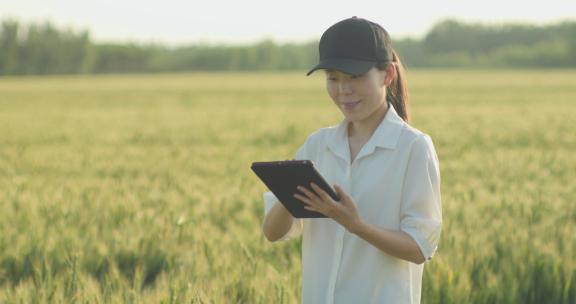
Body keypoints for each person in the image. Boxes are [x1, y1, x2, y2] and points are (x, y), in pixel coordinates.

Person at [261, 16, 442, 304]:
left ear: (387, 75)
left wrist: (356, 225)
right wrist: (286, 192)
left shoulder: (413, 148)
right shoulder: (317, 146)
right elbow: (272, 233)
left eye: (354, 76)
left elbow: (420, 247)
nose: (343, 90)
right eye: (333, 78)